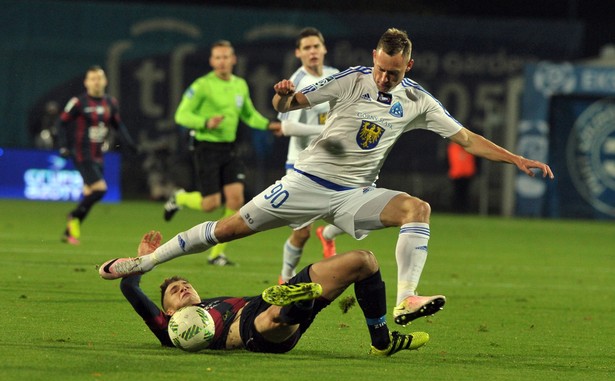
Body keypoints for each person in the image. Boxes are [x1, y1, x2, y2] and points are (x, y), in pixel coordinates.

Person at [99, 28, 554, 326]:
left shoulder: (417, 100)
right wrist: (280, 98)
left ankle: (406, 300)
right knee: (229, 227)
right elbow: (289, 104)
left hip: (355, 195)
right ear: (372, 57)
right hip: (306, 184)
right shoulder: (351, 79)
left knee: (418, 209)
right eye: (379, 67)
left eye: (393, 72)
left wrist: (515, 159)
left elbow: (467, 138)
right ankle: (147, 262)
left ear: (407, 68)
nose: (384, 77)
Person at [115, 230, 429, 356]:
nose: (182, 288)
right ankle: (298, 302)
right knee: (272, 319)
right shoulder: (169, 330)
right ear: (167, 309)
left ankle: (381, 341)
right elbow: (128, 286)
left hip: (267, 298)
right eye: (173, 290)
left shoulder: (211, 303)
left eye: (186, 285)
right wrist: (142, 261)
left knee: (365, 261)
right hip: (254, 331)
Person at [164, 40, 281, 266]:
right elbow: (181, 115)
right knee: (210, 204)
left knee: (236, 200)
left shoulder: (240, 85)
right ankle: (179, 197)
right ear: (211, 61)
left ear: (233, 59)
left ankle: (217, 253)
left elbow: (248, 114)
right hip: (206, 148)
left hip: (229, 148)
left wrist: (268, 125)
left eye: (226, 57)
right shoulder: (202, 85)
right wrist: (205, 121)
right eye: (218, 57)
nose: (222, 61)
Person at [275, 27, 345, 284]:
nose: (312, 51)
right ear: (298, 53)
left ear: (324, 48)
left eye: (316, 46)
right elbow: (288, 127)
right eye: (306, 48)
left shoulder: (335, 75)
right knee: (301, 232)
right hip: (301, 165)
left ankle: (327, 234)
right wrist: (326, 130)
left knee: (359, 210)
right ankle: (285, 278)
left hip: (332, 160)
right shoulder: (297, 82)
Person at [57, 65, 137, 245]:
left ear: (105, 81)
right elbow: (60, 123)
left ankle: (69, 232)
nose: (96, 82)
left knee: (89, 195)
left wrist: (129, 143)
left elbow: (118, 126)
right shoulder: (78, 102)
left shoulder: (111, 103)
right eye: (92, 78)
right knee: (100, 189)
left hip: (98, 155)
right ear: (86, 82)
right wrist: (63, 146)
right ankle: (73, 216)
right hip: (81, 154)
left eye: (99, 78)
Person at [447, 141, 477, 213]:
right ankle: (456, 209)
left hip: (467, 174)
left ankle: (464, 209)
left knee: (465, 193)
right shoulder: (453, 147)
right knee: (457, 193)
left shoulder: (469, 147)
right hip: (456, 174)